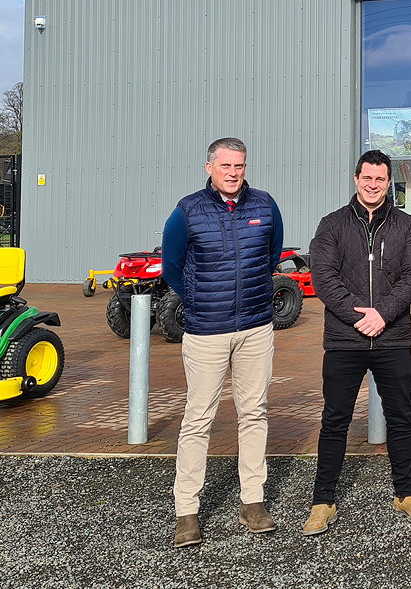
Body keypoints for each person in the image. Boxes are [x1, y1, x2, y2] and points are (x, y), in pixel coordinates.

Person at [161, 137, 284, 548]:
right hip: (206, 332)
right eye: (226, 165)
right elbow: (172, 267)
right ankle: (187, 511)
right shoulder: (187, 211)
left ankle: (253, 500)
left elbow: (269, 258)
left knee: (254, 413)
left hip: (254, 327)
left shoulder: (265, 206)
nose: (234, 173)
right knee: (198, 419)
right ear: (209, 166)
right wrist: (198, 301)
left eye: (240, 166)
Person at [302, 149, 411, 536]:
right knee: (335, 420)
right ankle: (322, 501)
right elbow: (323, 277)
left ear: (388, 182)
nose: (373, 185)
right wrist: (360, 316)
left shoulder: (407, 226)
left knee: (399, 417)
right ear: (356, 178)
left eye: (380, 179)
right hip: (345, 340)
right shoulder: (332, 225)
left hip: (391, 338)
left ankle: (406, 494)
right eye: (367, 178)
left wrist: (383, 314)